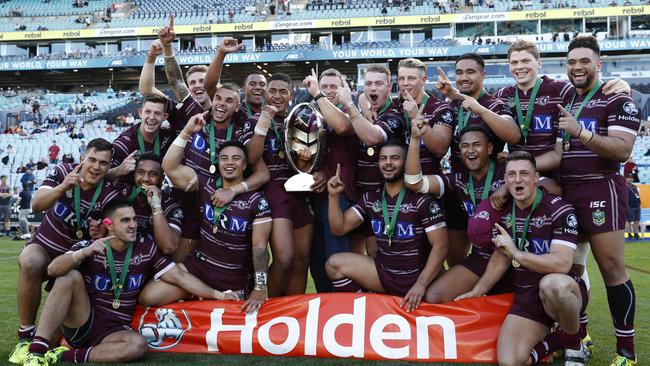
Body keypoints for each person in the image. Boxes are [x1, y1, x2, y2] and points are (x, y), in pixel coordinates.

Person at [20, 200, 235, 366]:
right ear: (109, 225)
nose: (133, 225)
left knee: (138, 346)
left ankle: (63, 356)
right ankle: (37, 351)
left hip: (114, 330)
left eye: (133, 219)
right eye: (125, 221)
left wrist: (218, 295)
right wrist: (82, 254)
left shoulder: (146, 248)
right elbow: (52, 270)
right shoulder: (90, 245)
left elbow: (179, 277)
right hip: (83, 319)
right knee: (69, 276)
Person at [458, 151, 588, 366]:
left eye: (524, 173)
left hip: (561, 286)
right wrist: (477, 291)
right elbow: (501, 256)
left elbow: (562, 264)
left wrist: (517, 254)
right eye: (511, 174)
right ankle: (558, 339)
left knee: (552, 284)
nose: (517, 179)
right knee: (510, 361)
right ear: (505, 180)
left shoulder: (559, 208)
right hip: (527, 296)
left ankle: (574, 344)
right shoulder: (504, 213)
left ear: (536, 178)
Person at [9, 138, 129, 365]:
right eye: (92, 159)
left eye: (103, 163)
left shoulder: (110, 193)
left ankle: (46, 343)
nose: (96, 166)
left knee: (53, 339)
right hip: (45, 247)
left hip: (74, 259)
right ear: (82, 158)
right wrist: (63, 186)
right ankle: (25, 338)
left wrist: (98, 232)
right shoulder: (63, 170)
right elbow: (37, 205)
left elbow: (105, 233)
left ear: (109, 166)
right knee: (30, 261)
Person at [558, 36, 640, 366]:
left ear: (599, 65)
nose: (577, 67)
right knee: (571, 270)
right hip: (567, 191)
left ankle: (626, 353)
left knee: (611, 269)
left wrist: (582, 133)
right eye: (571, 62)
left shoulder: (617, 98)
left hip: (600, 189)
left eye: (584, 61)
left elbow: (622, 150)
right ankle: (581, 337)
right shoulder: (566, 97)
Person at [326, 140, 448, 311]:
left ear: (405, 163)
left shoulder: (423, 200)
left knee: (436, 295)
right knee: (334, 264)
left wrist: (421, 285)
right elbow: (339, 228)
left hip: (418, 277)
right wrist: (333, 196)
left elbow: (441, 246)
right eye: (383, 158)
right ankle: (368, 310)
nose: (388, 163)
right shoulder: (371, 199)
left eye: (395, 158)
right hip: (385, 274)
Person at [159, 134, 272, 313]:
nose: (229, 163)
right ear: (218, 164)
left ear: (244, 165)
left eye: (236, 159)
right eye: (224, 158)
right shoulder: (205, 185)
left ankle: (201, 295)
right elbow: (169, 166)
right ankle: (202, 293)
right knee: (150, 295)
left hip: (232, 279)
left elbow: (260, 247)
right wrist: (187, 131)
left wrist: (259, 287)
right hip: (199, 268)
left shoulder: (257, 201)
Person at [405, 123, 511, 303]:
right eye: (464, 146)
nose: (470, 150)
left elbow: (546, 184)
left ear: (490, 148)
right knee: (434, 296)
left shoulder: (507, 172)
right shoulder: (458, 180)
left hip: (514, 252)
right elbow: (415, 182)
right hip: (483, 255)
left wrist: (508, 185)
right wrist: (415, 140)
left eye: (476, 145)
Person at [435, 53, 519, 266]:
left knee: (495, 259)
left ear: (483, 75)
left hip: (493, 192)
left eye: (470, 72)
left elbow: (513, 134)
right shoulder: (450, 106)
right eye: (459, 72)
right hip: (458, 191)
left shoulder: (494, 104)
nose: (464, 77)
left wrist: (481, 110)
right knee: (456, 262)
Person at [243, 73, 314, 297]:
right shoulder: (253, 120)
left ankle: (294, 313)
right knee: (284, 258)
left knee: (302, 261)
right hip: (274, 192)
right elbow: (252, 158)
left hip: (301, 193)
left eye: (283, 91)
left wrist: (305, 159)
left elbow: (308, 163)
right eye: (272, 91)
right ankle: (267, 308)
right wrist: (264, 123)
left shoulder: (298, 121)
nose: (277, 96)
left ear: (291, 95)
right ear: (265, 93)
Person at [302, 68, 360, 292]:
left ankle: (342, 311)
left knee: (335, 260)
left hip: (339, 197)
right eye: (323, 86)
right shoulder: (311, 113)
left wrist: (317, 94)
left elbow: (343, 126)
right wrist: (309, 170)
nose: (327, 91)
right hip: (312, 195)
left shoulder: (351, 110)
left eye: (333, 87)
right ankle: (325, 312)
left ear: (344, 88)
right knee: (316, 263)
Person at [397, 58, 455, 175]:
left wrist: (416, 117)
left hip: (427, 182)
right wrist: (363, 100)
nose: (405, 83)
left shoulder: (440, 109)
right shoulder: (395, 105)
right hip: (396, 183)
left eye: (411, 78)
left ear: (423, 80)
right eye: (401, 78)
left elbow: (441, 150)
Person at [204, 37, 267, 121]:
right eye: (252, 84)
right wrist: (221, 53)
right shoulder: (235, 109)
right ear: (244, 89)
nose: (258, 87)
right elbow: (210, 85)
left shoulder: (273, 113)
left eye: (262, 84)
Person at [625, 173, 641, 240]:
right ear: (626, 178)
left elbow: (637, 195)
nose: (631, 179)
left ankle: (636, 233)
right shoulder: (625, 186)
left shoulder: (634, 186)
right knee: (628, 220)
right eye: (629, 177)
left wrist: (639, 202)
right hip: (630, 206)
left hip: (637, 205)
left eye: (631, 177)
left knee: (637, 220)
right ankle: (629, 234)